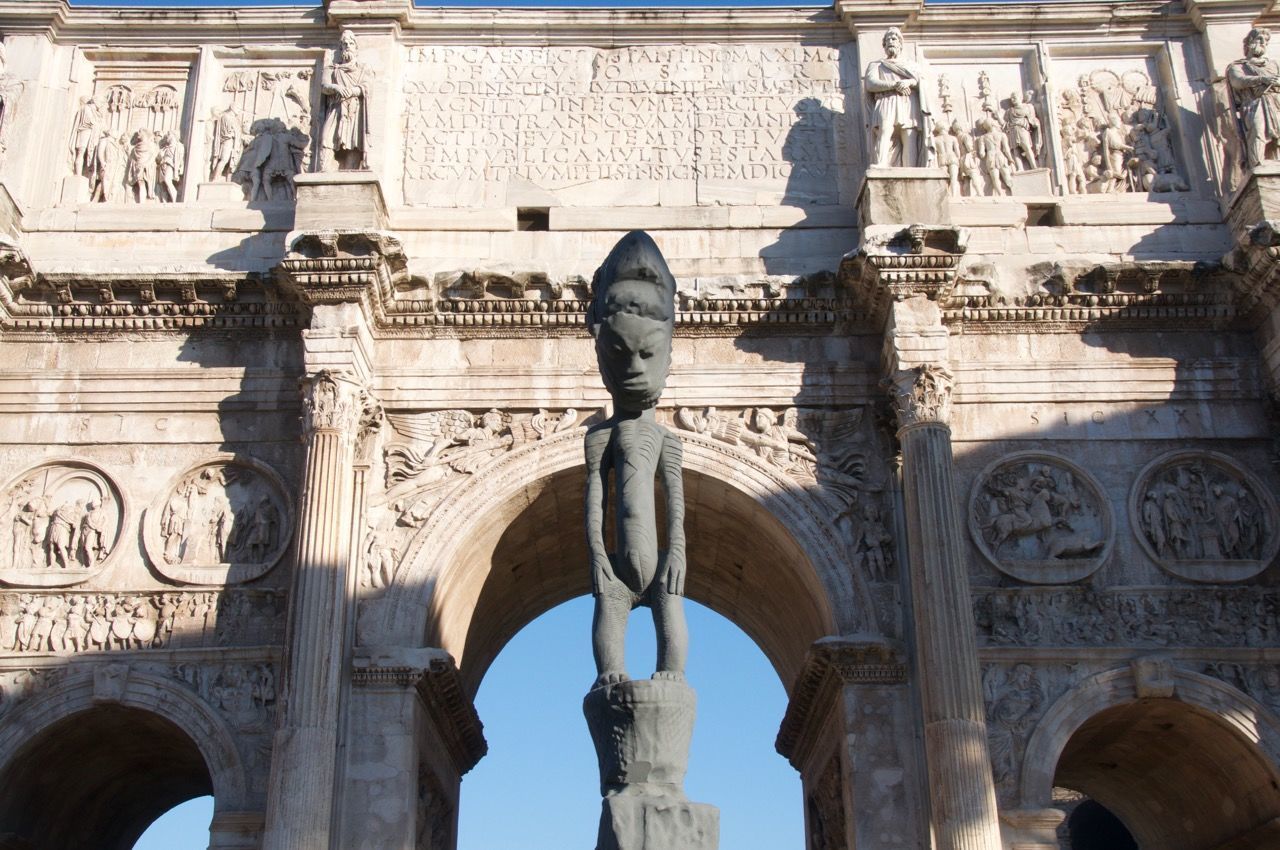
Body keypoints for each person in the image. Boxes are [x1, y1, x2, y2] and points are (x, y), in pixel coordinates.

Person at [584, 231, 687, 688]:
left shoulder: (666, 440)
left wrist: (678, 552)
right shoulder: (599, 438)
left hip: (658, 558)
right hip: (617, 566)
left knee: (671, 612)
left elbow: (677, 504)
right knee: (608, 609)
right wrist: (596, 556)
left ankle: (672, 672)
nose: (635, 368)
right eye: (621, 353)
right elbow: (594, 500)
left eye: (648, 353)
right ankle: (611, 670)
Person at [864, 27, 930, 167]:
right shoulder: (876, 65)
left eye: (894, 39)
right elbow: (871, 84)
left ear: (900, 43)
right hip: (885, 100)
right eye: (887, 40)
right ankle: (881, 163)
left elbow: (921, 80)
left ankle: (911, 169)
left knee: (909, 135)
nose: (890, 42)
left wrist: (908, 82)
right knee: (884, 131)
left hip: (907, 102)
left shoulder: (911, 65)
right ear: (884, 45)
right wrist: (895, 85)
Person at [320, 29, 373, 171]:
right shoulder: (331, 68)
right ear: (340, 47)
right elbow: (324, 86)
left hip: (354, 109)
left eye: (351, 43)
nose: (347, 46)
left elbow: (367, 86)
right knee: (326, 138)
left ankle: (351, 172)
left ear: (356, 48)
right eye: (344, 44)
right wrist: (336, 88)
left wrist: (354, 91)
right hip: (336, 108)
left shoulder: (363, 69)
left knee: (354, 142)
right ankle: (323, 170)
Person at [1228, 27, 1280, 169]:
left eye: (1266, 41)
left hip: (1275, 102)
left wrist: (1275, 82)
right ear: (1250, 43)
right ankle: (1257, 164)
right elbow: (1237, 81)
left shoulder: (1273, 65)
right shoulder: (1237, 66)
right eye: (1259, 40)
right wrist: (1262, 79)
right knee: (1257, 131)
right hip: (1253, 103)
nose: (1263, 43)